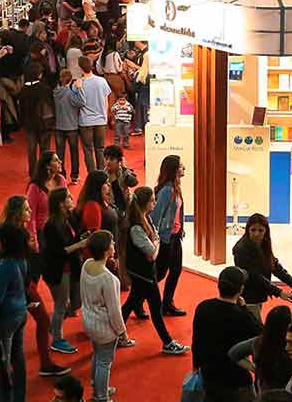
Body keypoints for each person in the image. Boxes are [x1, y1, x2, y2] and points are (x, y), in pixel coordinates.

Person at [0, 196, 70, 378]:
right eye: (27, 209)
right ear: (17, 212)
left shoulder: (15, 231)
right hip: (24, 288)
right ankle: (42, 364)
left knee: (21, 329)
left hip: (27, 285)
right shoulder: (14, 235)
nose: (30, 212)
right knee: (39, 323)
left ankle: (27, 364)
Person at [119, 187, 189, 355]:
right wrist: (155, 245)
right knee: (156, 308)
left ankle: (117, 334)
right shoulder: (137, 226)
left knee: (131, 303)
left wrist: (155, 245)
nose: (155, 203)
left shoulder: (146, 218)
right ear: (145, 203)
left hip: (144, 271)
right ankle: (167, 342)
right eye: (152, 201)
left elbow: (154, 242)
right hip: (143, 273)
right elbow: (152, 252)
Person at [193, 266, 262, 402]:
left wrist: (196, 366)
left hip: (209, 375)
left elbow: (197, 341)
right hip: (237, 380)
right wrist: (244, 308)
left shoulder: (203, 307)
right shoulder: (242, 317)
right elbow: (261, 333)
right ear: (241, 290)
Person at [80, 230, 126, 402]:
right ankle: (101, 396)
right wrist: (122, 332)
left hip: (89, 321)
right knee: (104, 361)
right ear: (107, 250)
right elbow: (115, 312)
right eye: (112, 243)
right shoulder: (109, 279)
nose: (114, 246)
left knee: (97, 355)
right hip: (104, 328)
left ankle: (98, 385)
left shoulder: (86, 264)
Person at [43, 188, 88, 355]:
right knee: (62, 305)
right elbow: (59, 251)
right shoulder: (52, 225)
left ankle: (55, 328)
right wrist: (80, 245)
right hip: (58, 270)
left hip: (68, 268)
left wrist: (81, 239)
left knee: (69, 303)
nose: (72, 198)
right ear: (61, 203)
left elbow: (74, 238)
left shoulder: (69, 217)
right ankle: (57, 339)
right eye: (68, 197)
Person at [232, 213, 292, 322]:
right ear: (247, 230)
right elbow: (254, 276)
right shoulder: (241, 249)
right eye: (253, 230)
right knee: (255, 330)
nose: (256, 234)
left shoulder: (263, 243)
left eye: (260, 230)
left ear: (266, 231)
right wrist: (279, 292)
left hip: (258, 294)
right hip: (248, 297)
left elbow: (274, 266)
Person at [0, 223, 30, 401]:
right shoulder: (21, 259)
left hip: (7, 317)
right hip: (21, 312)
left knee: (2, 363)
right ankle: (19, 396)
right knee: (18, 356)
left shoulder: (5, 266)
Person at [149, 154, 187, 316]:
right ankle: (138, 298)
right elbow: (155, 217)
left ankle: (167, 303)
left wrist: (180, 228)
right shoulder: (166, 191)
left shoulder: (175, 187)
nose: (184, 167)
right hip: (166, 238)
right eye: (180, 165)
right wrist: (156, 237)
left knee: (176, 269)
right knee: (160, 272)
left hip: (175, 236)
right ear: (173, 170)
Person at [229, 306, 292, 393]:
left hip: (264, 392)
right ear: (287, 325)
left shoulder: (258, 342)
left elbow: (233, 353)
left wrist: (255, 369)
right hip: (288, 393)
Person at [76, 56, 111, 174]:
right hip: (101, 120)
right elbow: (106, 100)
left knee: (88, 150)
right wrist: (105, 117)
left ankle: (92, 175)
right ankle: (102, 174)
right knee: (100, 149)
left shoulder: (78, 83)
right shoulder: (102, 81)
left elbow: (77, 102)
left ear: (81, 68)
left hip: (85, 121)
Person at [20, 62, 54, 178]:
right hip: (44, 124)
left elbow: (21, 108)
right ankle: (45, 172)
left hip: (29, 124)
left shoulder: (24, 89)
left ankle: (33, 173)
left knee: (31, 149)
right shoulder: (45, 88)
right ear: (39, 74)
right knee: (45, 149)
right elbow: (51, 105)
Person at [27, 151, 67, 251]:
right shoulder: (34, 187)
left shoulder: (61, 180)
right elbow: (30, 216)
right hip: (43, 233)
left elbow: (67, 204)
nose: (60, 162)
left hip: (60, 228)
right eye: (56, 160)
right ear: (47, 166)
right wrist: (34, 239)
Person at [53, 69, 83, 185]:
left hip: (59, 126)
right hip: (72, 126)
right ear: (70, 80)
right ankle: (74, 175)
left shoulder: (55, 92)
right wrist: (79, 89)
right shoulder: (70, 93)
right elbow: (81, 103)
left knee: (60, 153)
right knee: (74, 152)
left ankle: (61, 175)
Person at [104, 145, 138, 215]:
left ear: (119, 160)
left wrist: (124, 168)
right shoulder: (103, 176)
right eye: (106, 159)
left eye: (111, 159)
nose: (108, 162)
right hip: (111, 211)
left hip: (126, 207)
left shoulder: (123, 172)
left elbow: (134, 182)